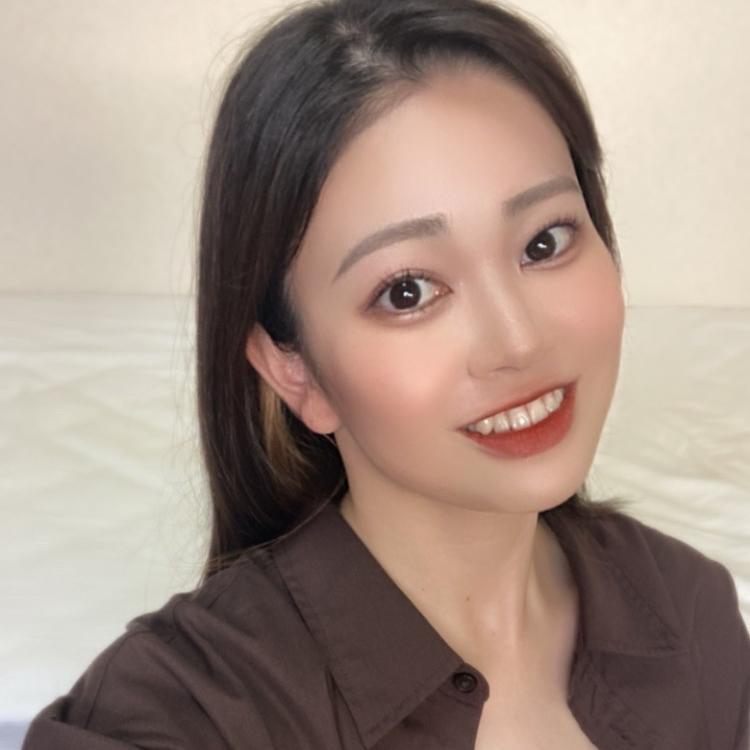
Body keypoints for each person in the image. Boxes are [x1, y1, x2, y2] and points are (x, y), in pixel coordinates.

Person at [22, 0, 750, 748]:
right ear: (295, 372)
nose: (518, 341)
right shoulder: (178, 713)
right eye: (407, 291)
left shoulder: (691, 611)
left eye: (544, 242)